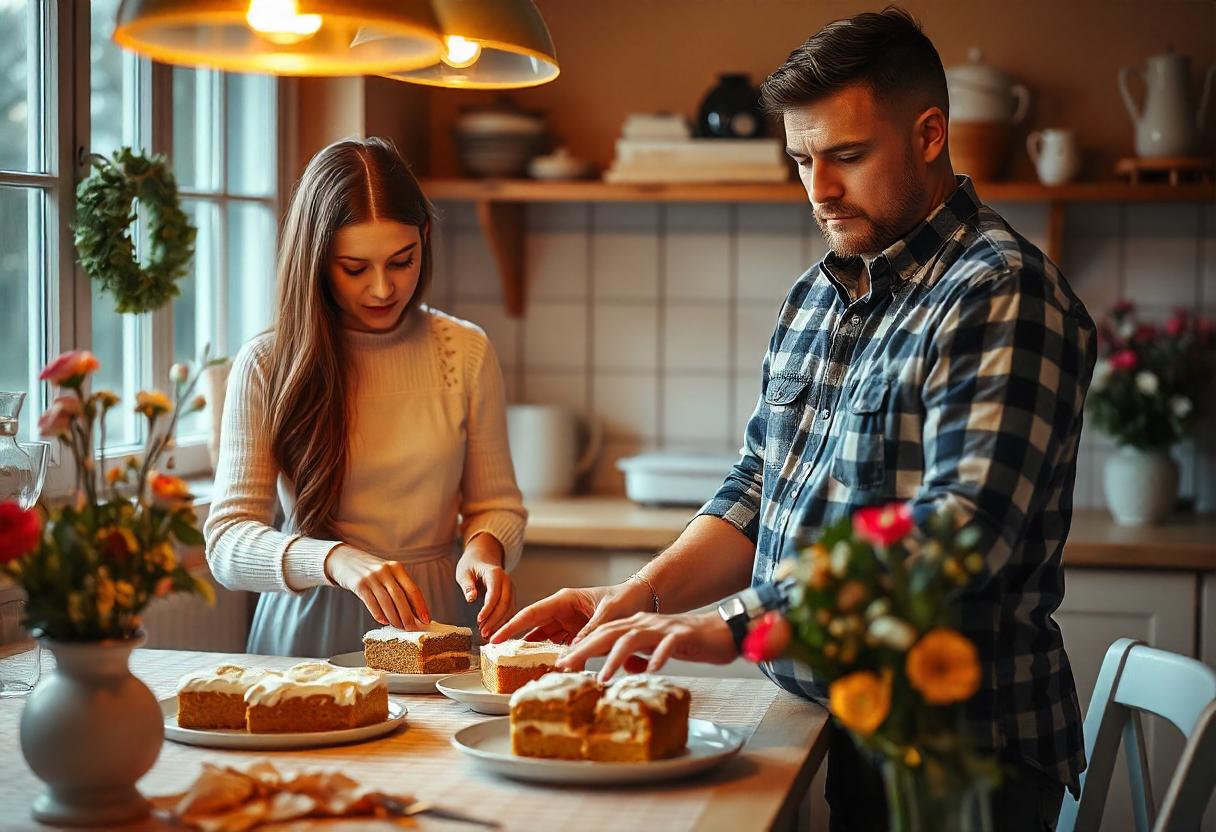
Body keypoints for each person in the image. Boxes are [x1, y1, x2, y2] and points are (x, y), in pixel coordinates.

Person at [493, 8, 1093, 830]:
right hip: (841, 725)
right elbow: (758, 490)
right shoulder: (818, 295)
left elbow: (961, 533)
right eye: (803, 160)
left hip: (962, 752)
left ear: (928, 134)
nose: (819, 188)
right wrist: (638, 597)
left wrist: (740, 624)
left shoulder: (1001, 290)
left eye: (846, 155)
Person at [205, 137, 526, 658]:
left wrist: (484, 549)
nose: (382, 289)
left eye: (402, 261)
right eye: (354, 268)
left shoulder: (465, 351)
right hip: (309, 623)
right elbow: (226, 544)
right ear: (316, 261)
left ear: (425, 237)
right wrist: (333, 560)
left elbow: (497, 506)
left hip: (436, 617)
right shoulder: (268, 362)